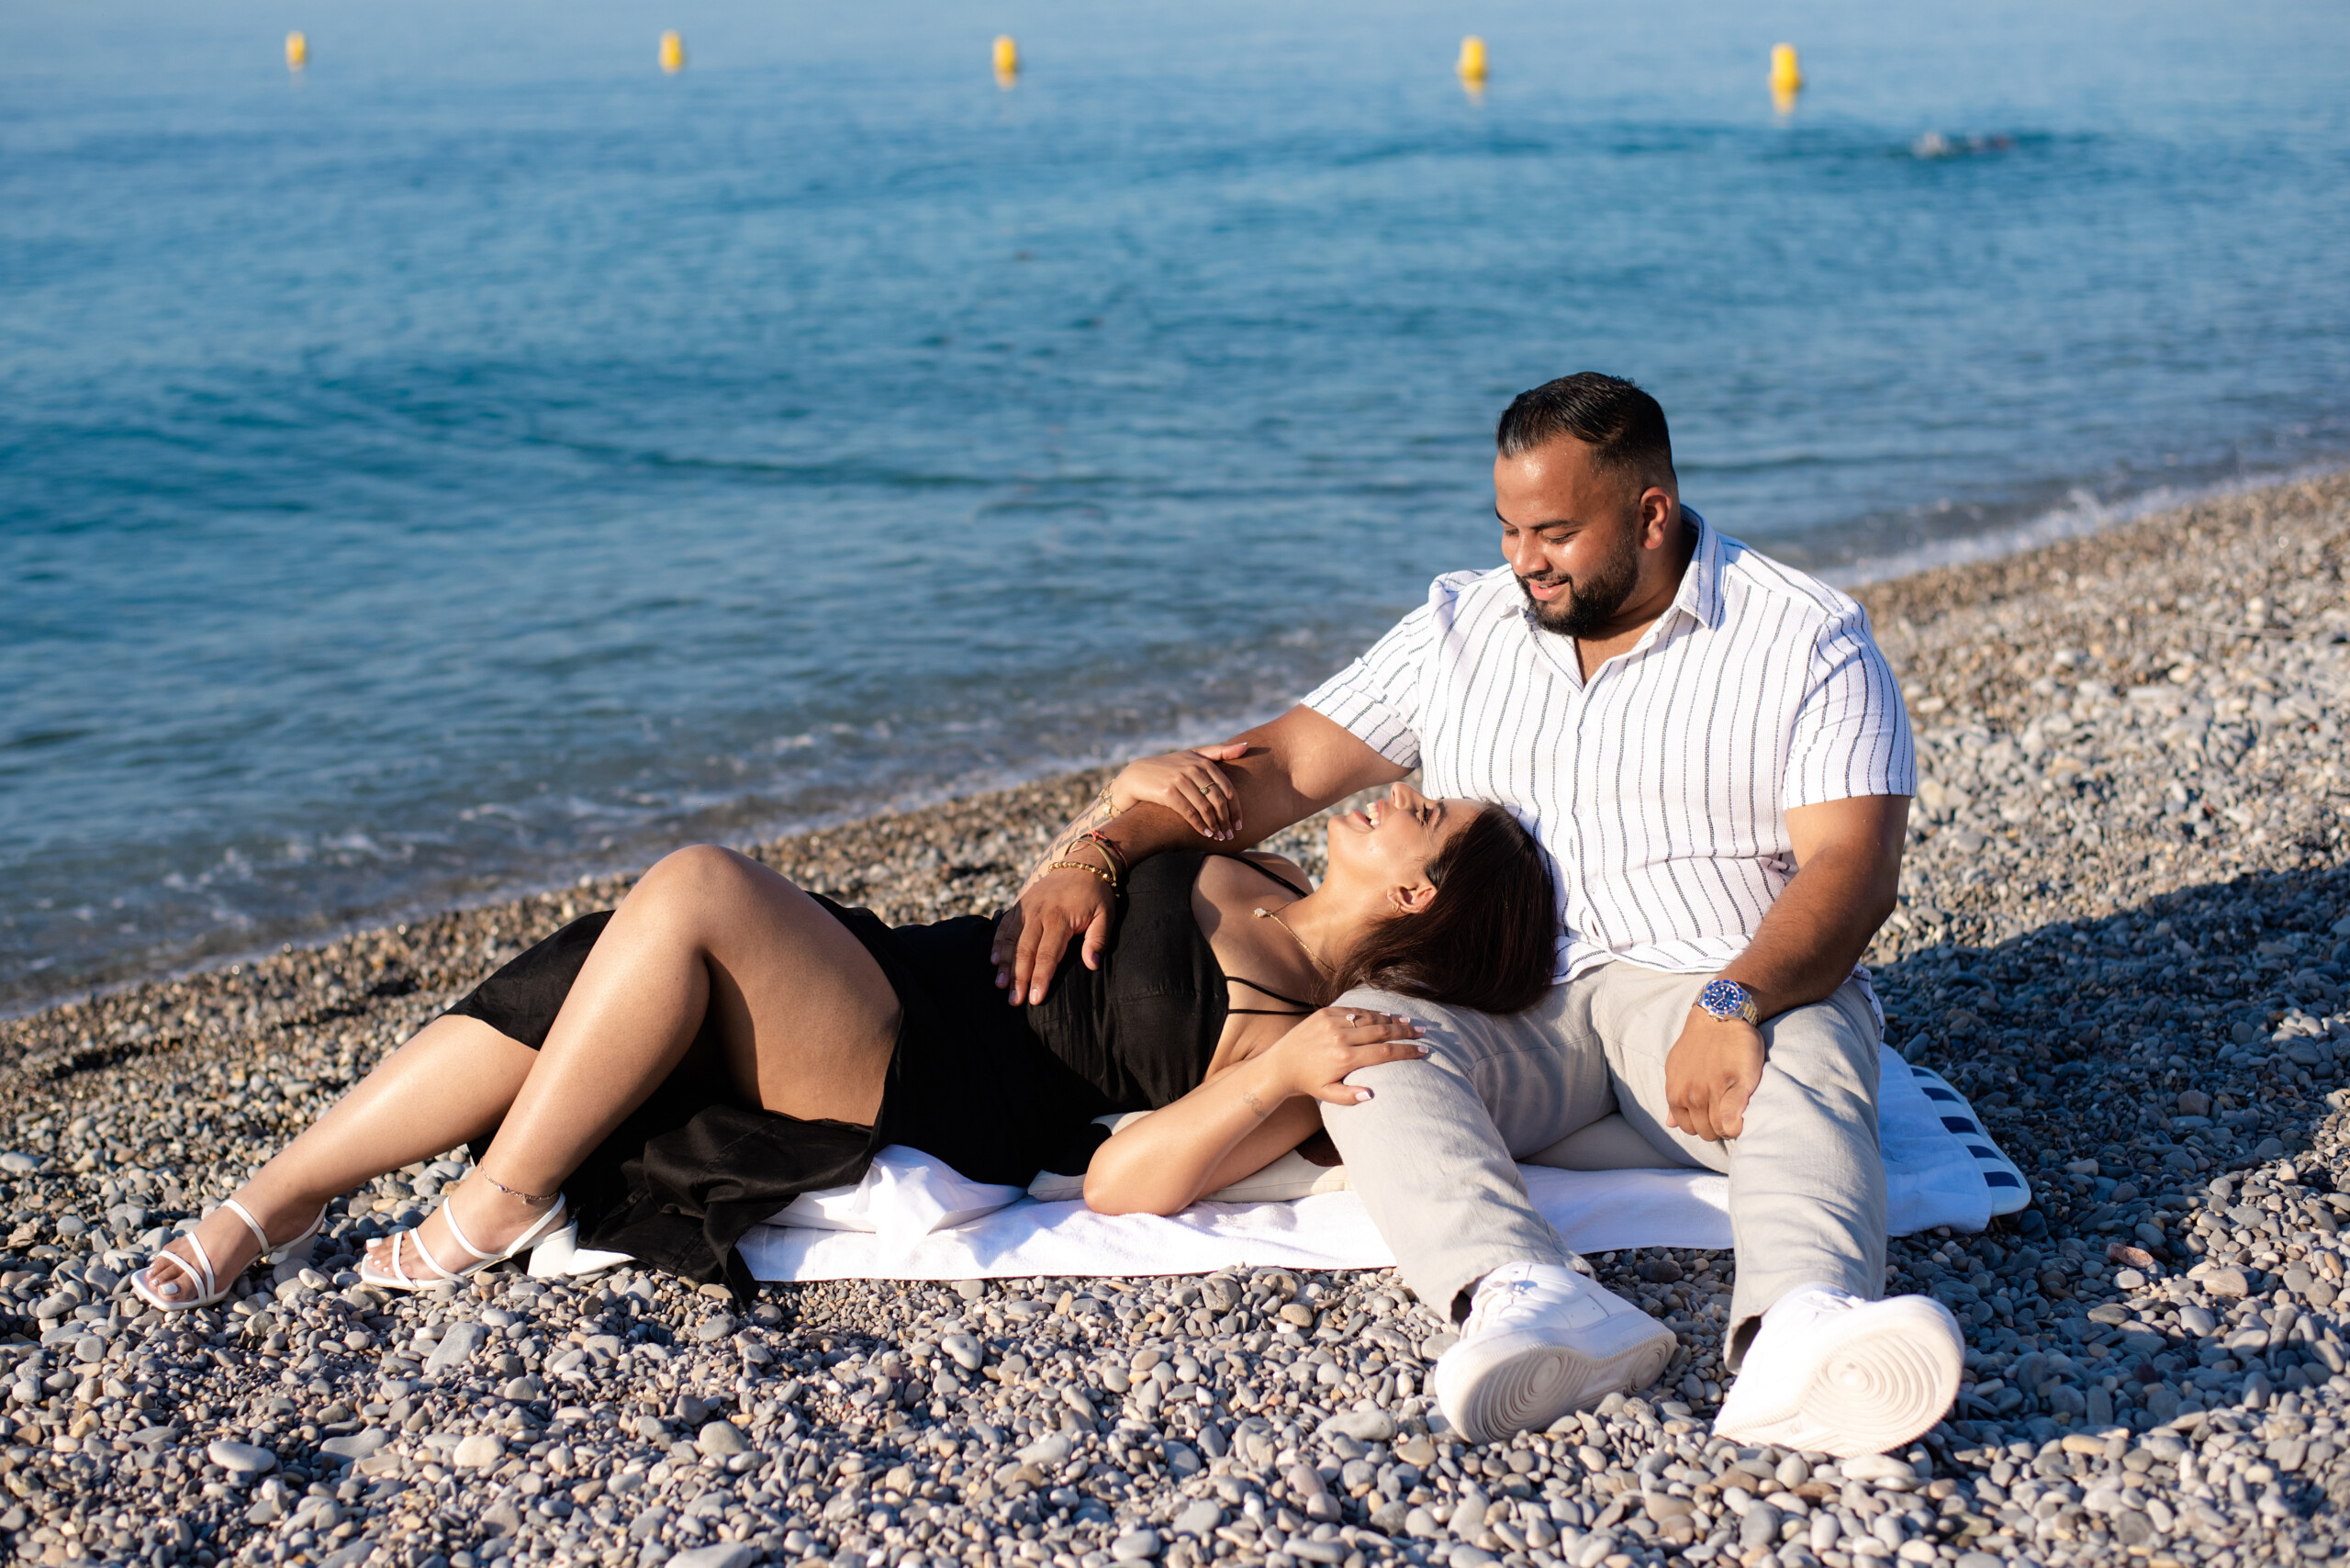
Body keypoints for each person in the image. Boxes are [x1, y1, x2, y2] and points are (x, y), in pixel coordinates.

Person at [991, 373, 1965, 1457]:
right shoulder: (1462, 625)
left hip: (1701, 982)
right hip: (1501, 1003)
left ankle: (1804, 1325)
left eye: (1551, 532)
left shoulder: (1806, 638)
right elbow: (1274, 771)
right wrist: (1098, 852)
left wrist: (1738, 998)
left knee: (1805, 1035)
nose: (1522, 559)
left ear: (1648, 514)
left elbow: (1852, 870)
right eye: (1506, 528)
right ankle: (1526, 1295)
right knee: (1369, 1039)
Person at [130, 770, 1558, 1312]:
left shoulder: (1295, 1038)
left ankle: (493, 1196)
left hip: (928, 1080)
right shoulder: (1260, 869)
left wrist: (1302, 1076)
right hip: (893, 972)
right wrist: (1094, 845)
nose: (1393, 795)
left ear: (1424, 896)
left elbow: (1131, 1187)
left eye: (1421, 814)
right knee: (596, 966)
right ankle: (278, 1197)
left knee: (693, 885)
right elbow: (1147, 790)